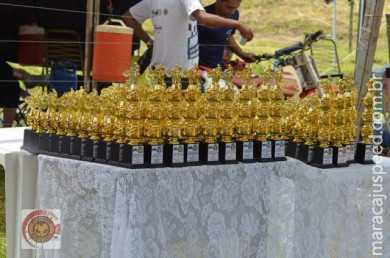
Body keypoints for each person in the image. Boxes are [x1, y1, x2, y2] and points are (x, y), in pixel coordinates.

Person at [122, 0, 253, 87]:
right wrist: (238, 24)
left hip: (160, 70)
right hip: (182, 73)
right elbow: (204, 18)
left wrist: (150, 42)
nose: (232, 12)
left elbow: (128, 17)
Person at [197, 0, 261, 89]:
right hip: (202, 70)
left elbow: (228, 35)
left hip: (220, 68)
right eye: (229, 7)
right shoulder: (201, 18)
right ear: (219, 1)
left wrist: (243, 55)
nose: (232, 11)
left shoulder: (234, 14)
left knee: (260, 84)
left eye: (235, 8)